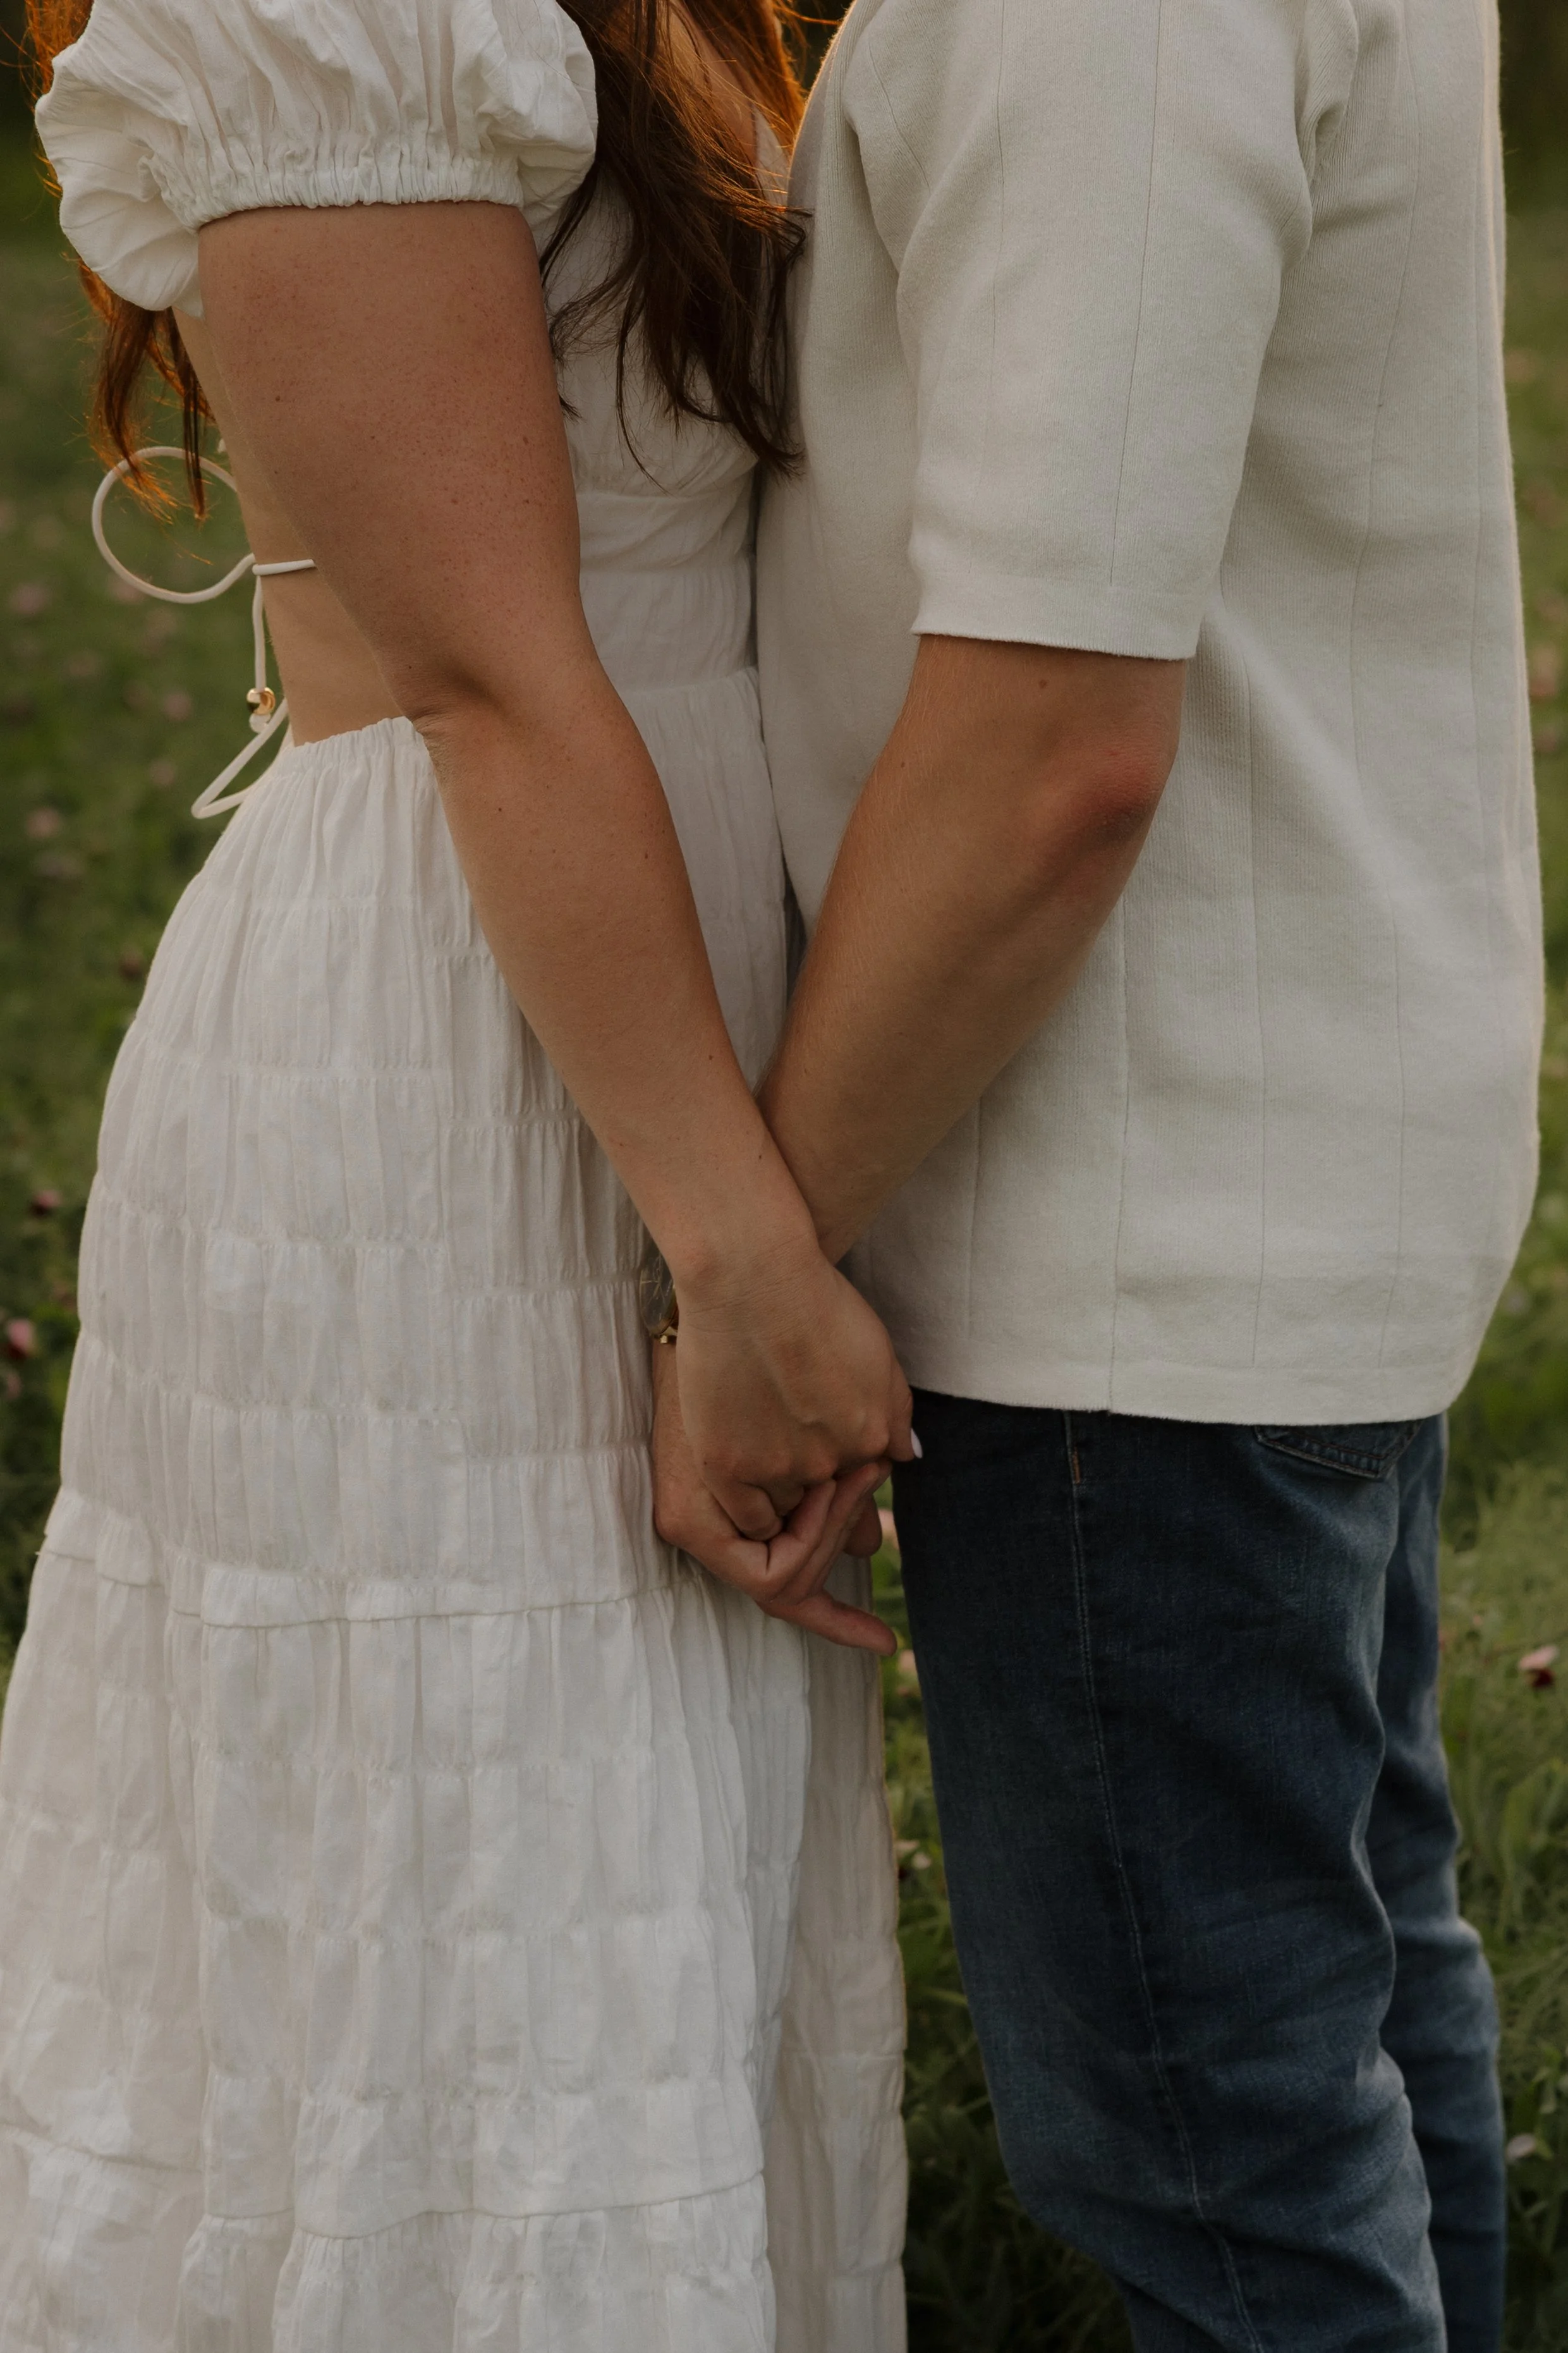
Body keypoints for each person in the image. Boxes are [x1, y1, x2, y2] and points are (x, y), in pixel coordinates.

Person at [0, 1, 912, 2344]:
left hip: (638, 1010)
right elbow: (489, 679)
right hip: (465, 1054)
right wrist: (742, 1252)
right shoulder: (330, 14)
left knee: (622, 1906)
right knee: (479, 1897)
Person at [653, 0, 1539, 2345]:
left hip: (1132, 1203)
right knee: (1338, 1992)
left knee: (1210, 2135)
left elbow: (1057, 746)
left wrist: (769, 1256)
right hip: (1262, 1131)